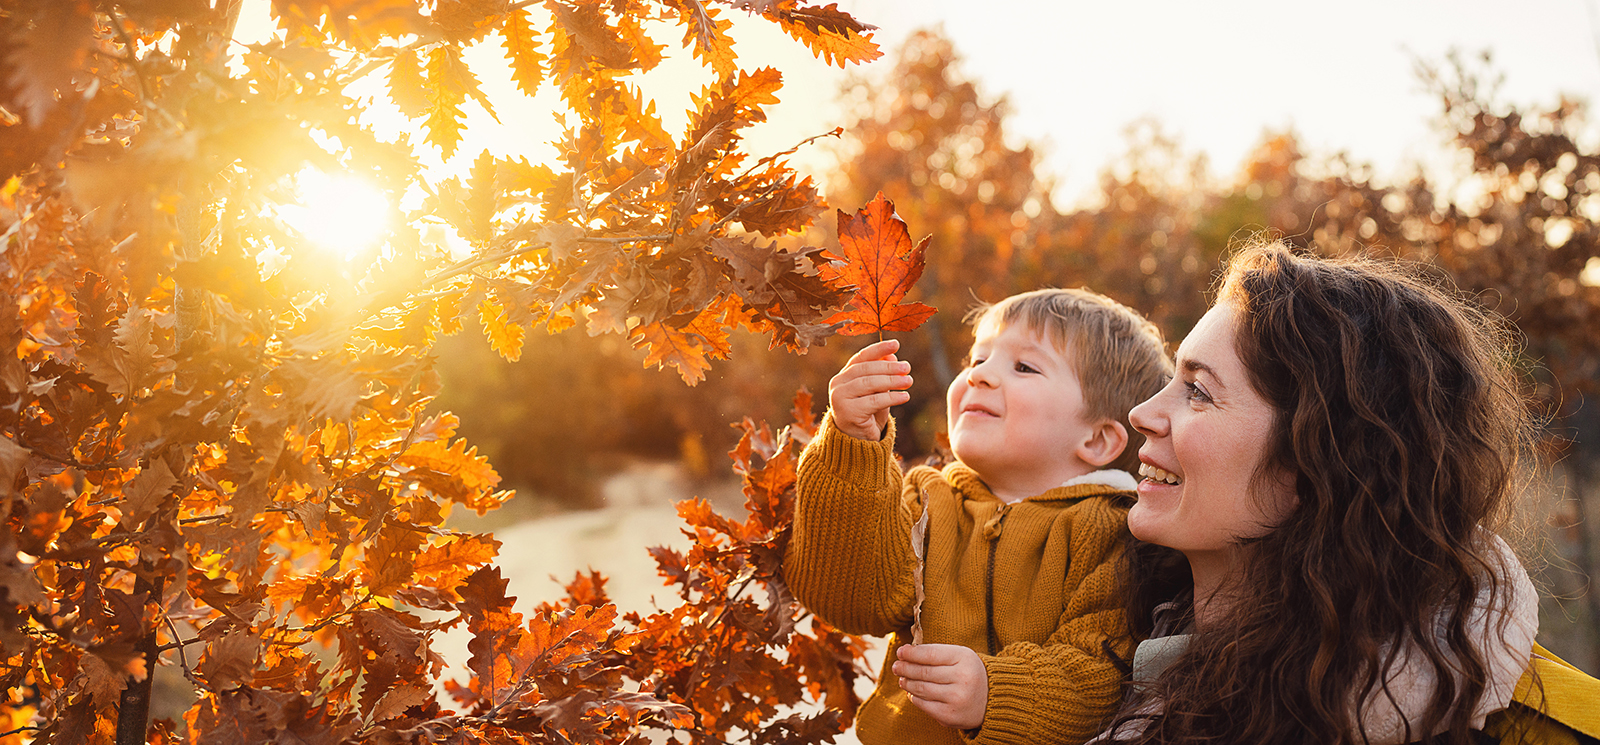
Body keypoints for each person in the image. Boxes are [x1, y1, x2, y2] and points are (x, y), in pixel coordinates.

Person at [1101, 243, 1541, 745]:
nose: (1142, 413)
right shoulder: (1103, 632)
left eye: (1198, 391)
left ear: (1316, 463)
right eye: (1171, 379)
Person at [783, 288, 1174, 745]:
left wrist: (994, 695)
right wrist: (854, 446)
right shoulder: (927, 499)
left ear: (1097, 441)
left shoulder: (1113, 530)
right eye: (976, 359)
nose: (980, 376)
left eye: (1023, 367)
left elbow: (1103, 673)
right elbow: (848, 598)